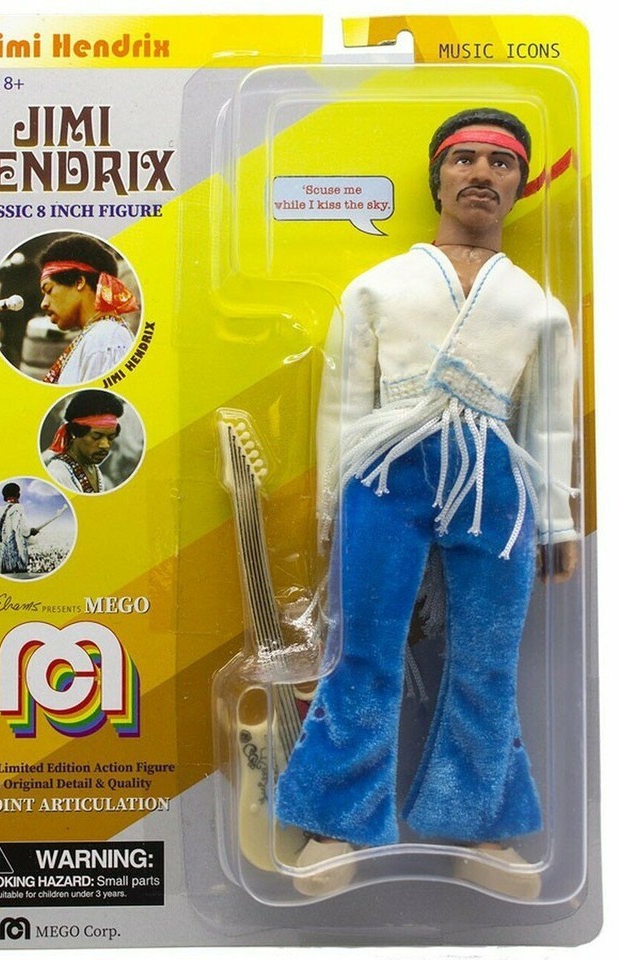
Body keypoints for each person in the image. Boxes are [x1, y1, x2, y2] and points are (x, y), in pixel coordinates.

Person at [275, 108, 578, 898]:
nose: (480, 174)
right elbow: (344, 400)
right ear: (437, 178)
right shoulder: (378, 286)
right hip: (385, 469)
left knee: (487, 658)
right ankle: (334, 822)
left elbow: (548, 423)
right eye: (463, 159)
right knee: (364, 649)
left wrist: (555, 520)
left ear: (519, 185)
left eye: (500, 164)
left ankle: (483, 827)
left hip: (493, 478)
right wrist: (333, 503)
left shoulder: (537, 307)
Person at [39, 234, 137, 384]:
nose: (43, 304)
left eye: (49, 290)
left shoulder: (105, 339)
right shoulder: (98, 335)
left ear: (79, 282)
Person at [45, 390, 124, 493]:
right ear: (75, 432)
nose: (105, 445)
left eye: (111, 437)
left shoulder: (92, 468)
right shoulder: (58, 472)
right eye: (96, 436)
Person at [0, 482, 39, 575]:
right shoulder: (18, 508)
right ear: (18, 495)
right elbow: (22, 530)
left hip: (2, 556)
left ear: (4, 496)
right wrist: (31, 531)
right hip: (16, 555)